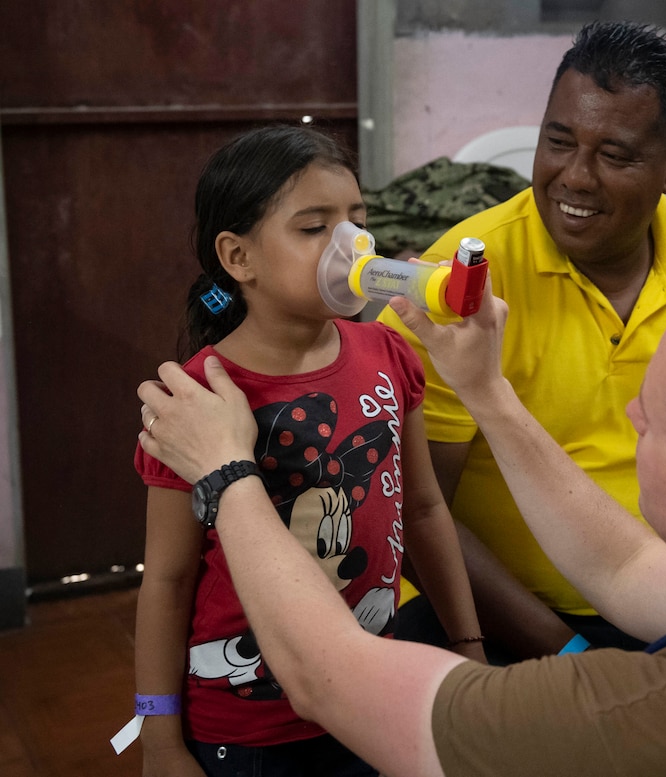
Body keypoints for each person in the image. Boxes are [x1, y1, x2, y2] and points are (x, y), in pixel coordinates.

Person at [136, 272, 666, 777]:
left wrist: (228, 473)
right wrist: (487, 391)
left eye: (651, 422)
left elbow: (330, 679)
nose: (629, 415)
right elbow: (625, 567)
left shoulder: (630, 720)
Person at [378, 20, 666, 659]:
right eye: (559, 141)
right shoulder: (462, 281)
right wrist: (569, 652)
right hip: (500, 616)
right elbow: (415, 515)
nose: (575, 178)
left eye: (615, 155)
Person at [128, 125, 484, 777]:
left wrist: (468, 645)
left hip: (371, 695)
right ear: (239, 258)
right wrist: (159, 741)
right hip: (252, 731)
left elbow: (427, 510)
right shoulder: (198, 400)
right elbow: (169, 580)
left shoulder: (390, 352)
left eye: (358, 218)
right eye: (314, 227)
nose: (352, 246)